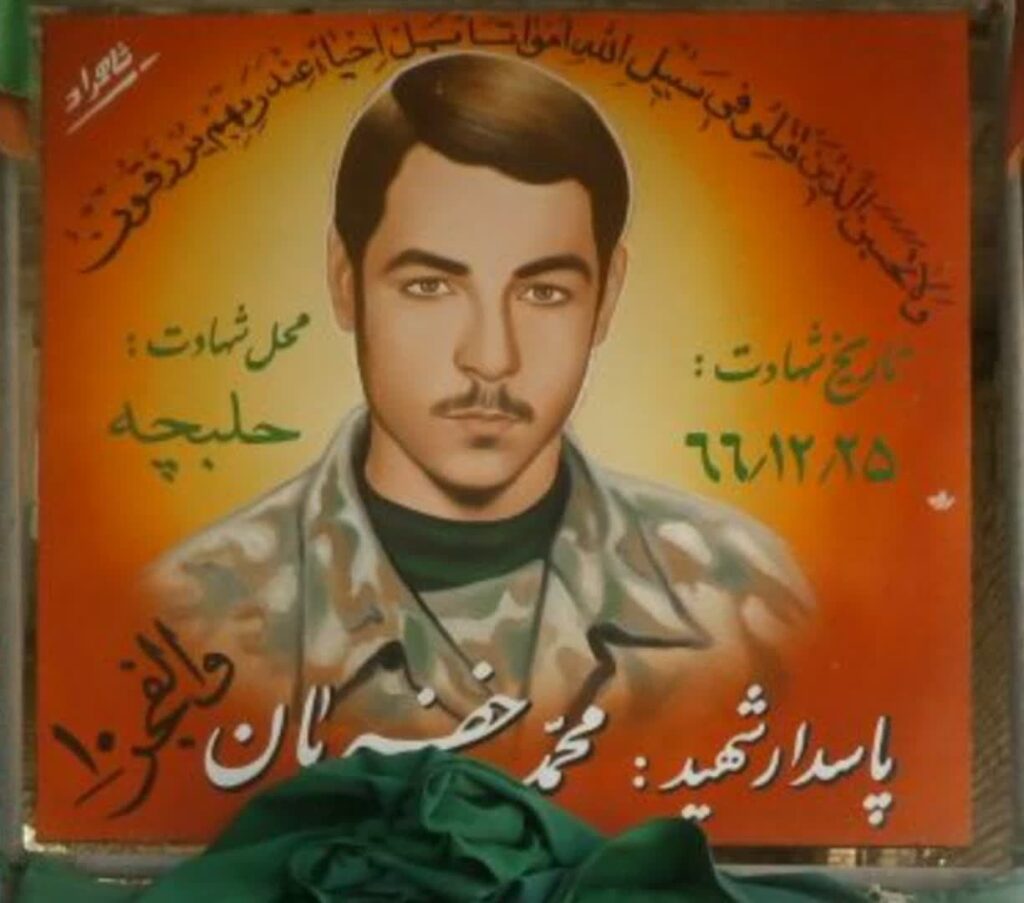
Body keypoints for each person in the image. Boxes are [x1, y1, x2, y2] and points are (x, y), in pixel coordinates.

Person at [145, 52, 812, 741]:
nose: (492, 358)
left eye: (544, 292)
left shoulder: (746, 598)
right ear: (346, 280)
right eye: (430, 287)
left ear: (607, 296)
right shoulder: (185, 625)